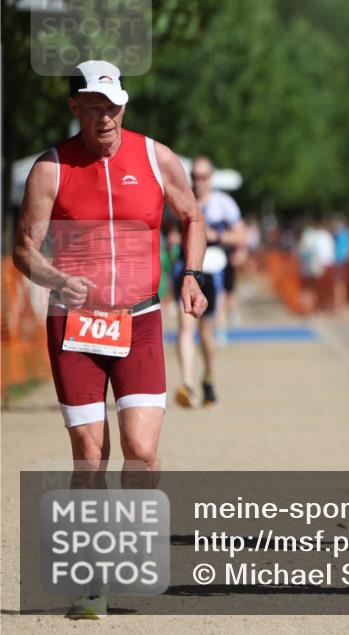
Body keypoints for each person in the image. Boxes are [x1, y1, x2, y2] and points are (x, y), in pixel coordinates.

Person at [13, 60, 208, 619]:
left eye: (115, 104)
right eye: (96, 105)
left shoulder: (154, 156)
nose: (108, 115)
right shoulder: (51, 168)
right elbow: (24, 249)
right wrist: (56, 279)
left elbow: (192, 216)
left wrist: (190, 277)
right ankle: (92, 580)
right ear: (75, 106)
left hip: (141, 317)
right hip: (73, 324)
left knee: (141, 451)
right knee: (90, 455)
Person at [172, 156, 246, 408]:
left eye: (203, 177)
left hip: (211, 269)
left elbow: (241, 235)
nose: (199, 182)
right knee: (184, 327)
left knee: (205, 332)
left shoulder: (223, 204)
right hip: (184, 267)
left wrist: (217, 235)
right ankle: (187, 384)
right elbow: (167, 228)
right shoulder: (182, 199)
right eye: (195, 176)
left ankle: (208, 376)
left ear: (211, 178)